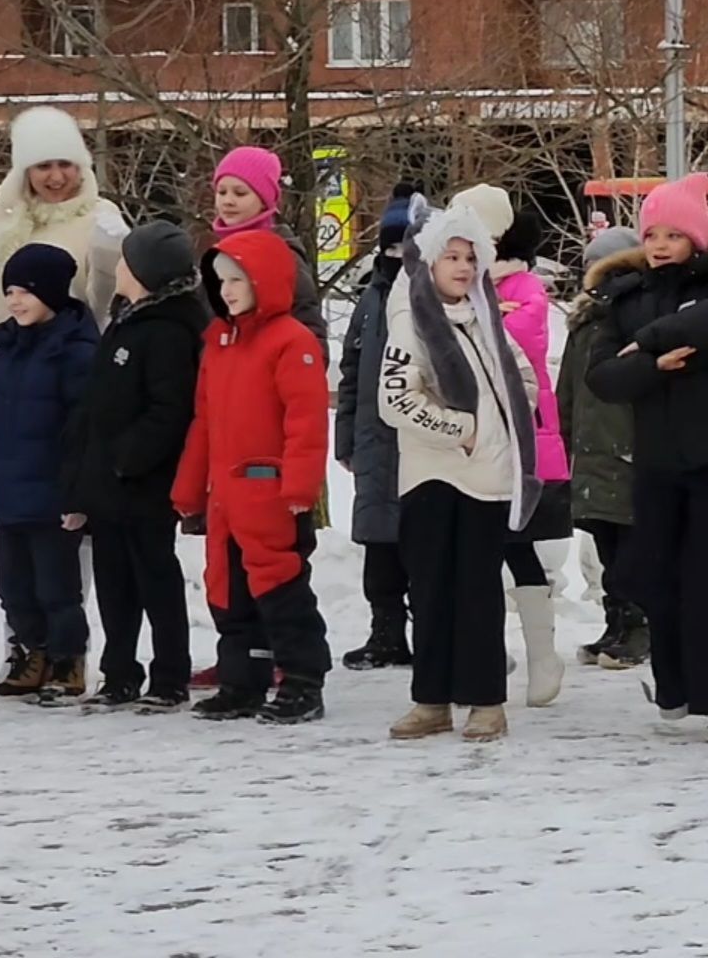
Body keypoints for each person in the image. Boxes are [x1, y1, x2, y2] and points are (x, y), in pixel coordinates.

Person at [586, 173, 708, 744]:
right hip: (657, 460)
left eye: (673, 232)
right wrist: (653, 364)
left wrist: (647, 341)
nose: (661, 243)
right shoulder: (628, 295)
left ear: (697, 237)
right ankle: (676, 686)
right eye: (652, 233)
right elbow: (603, 375)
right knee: (655, 574)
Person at [380, 195, 542, 744]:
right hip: (432, 480)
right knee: (430, 592)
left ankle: (485, 701)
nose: (464, 268)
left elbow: (521, 374)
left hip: (489, 481)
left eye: (471, 258)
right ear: (429, 262)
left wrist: (509, 417)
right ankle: (431, 699)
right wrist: (460, 430)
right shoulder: (415, 324)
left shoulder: (487, 318)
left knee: (479, 594)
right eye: (452, 257)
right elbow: (394, 398)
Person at [171, 229, 332, 724]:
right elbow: (204, 421)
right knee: (228, 591)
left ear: (265, 280)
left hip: (273, 494)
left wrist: (301, 487)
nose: (228, 290)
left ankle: (304, 680)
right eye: (220, 281)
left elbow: (306, 422)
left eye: (238, 279)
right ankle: (244, 680)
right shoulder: (219, 342)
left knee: (281, 589)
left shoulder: (291, 341)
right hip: (227, 497)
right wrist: (188, 487)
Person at [64, 222, 210, 712]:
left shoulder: (169, 330)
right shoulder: (125, 320)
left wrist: (128, 459)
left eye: (127, 260)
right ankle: (119, 673)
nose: (119, 267)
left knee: (155, 578)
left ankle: (169, 675)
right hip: (109, 483)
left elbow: (169, 410)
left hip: (145, 483)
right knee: (114, 582)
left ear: (146, 272)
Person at [0, 245, 99, 702]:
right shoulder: (9, 348)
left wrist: (76, 496)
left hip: (53, 495)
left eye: (25, 292)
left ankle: (67, 660)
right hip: (10, 491)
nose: (15, 302)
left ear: (51, 292)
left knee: (57, 587)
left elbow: (83, 431)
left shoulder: (75, 352)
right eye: (9, 292)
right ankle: (33, 653)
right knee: (12, 585)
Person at [335, 184, 425, 671]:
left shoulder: (427, 297)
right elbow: (352, 372)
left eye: (403, 247)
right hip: (373, 443)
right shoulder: (370, 299)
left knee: (421, 544)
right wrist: (345, 438)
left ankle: (429, 629)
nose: (395, 256)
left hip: (418, 443)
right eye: (388, 247)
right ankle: (385, 630)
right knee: (379, 546)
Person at [491, 206, 571, 708]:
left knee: (516, 545)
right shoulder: (465, 287)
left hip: (520, 439)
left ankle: (543, 653)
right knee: (483, 551)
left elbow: (521, 342)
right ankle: (489, 652)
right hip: (474, 441)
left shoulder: (525, 291)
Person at [559, 225, 648, 669]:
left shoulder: (634, 319)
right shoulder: (585, 325)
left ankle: (637, 625)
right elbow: (568, 392)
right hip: (593, 451)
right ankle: (617, 620)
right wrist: (566, 436)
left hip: (628, 449)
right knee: (608, 541)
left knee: (631, 545)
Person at [0, 106, 126, 332]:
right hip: (0, 355)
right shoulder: (2, 215)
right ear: (26, 171)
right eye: (44, 166)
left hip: (66, 355)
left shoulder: (101, 217)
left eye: (65, 164)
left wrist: (112, 253)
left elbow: (109, 306)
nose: (57, 177)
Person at [206, 146, 329, 349]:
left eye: (240, 193)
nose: (228, 201)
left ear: (264, 200)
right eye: (221, 192)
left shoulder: (281, 254)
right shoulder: (217, 254)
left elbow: (310, 333)